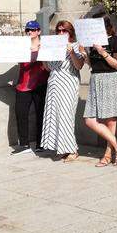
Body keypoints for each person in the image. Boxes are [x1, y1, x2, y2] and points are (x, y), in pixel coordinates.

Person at [82, 15, 117, 167]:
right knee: (89, 119)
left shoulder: (114, 40)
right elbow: (91, 64)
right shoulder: (91, 42)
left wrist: (103, 52)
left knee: (110, 119)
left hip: (110, 78)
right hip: (95, 79)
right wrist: (85, 54)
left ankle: (108, 154)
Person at [40, 20, 85, 162]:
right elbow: (47, 68)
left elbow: (79, 66)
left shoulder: (77, 45)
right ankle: (62, 148)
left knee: (66, 116)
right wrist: (43, 54)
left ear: (70, 32)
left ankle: (72, 149)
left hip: (68, 83)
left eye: (64, 30)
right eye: (58, 30)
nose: (61, 33)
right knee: (55, 116)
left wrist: (71, 52)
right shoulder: (54, 45)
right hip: (53, 83)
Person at [13, 20, 50, 154]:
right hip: (23, 84)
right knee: (20, 113)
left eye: (33, 30)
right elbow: (14, 58)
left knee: (41, 114)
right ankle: (24, 144)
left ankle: (41, 143)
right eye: (28, 30)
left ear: (39, 31)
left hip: (40, 83)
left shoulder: (45, 45)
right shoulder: (22, 45)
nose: (30, 32)